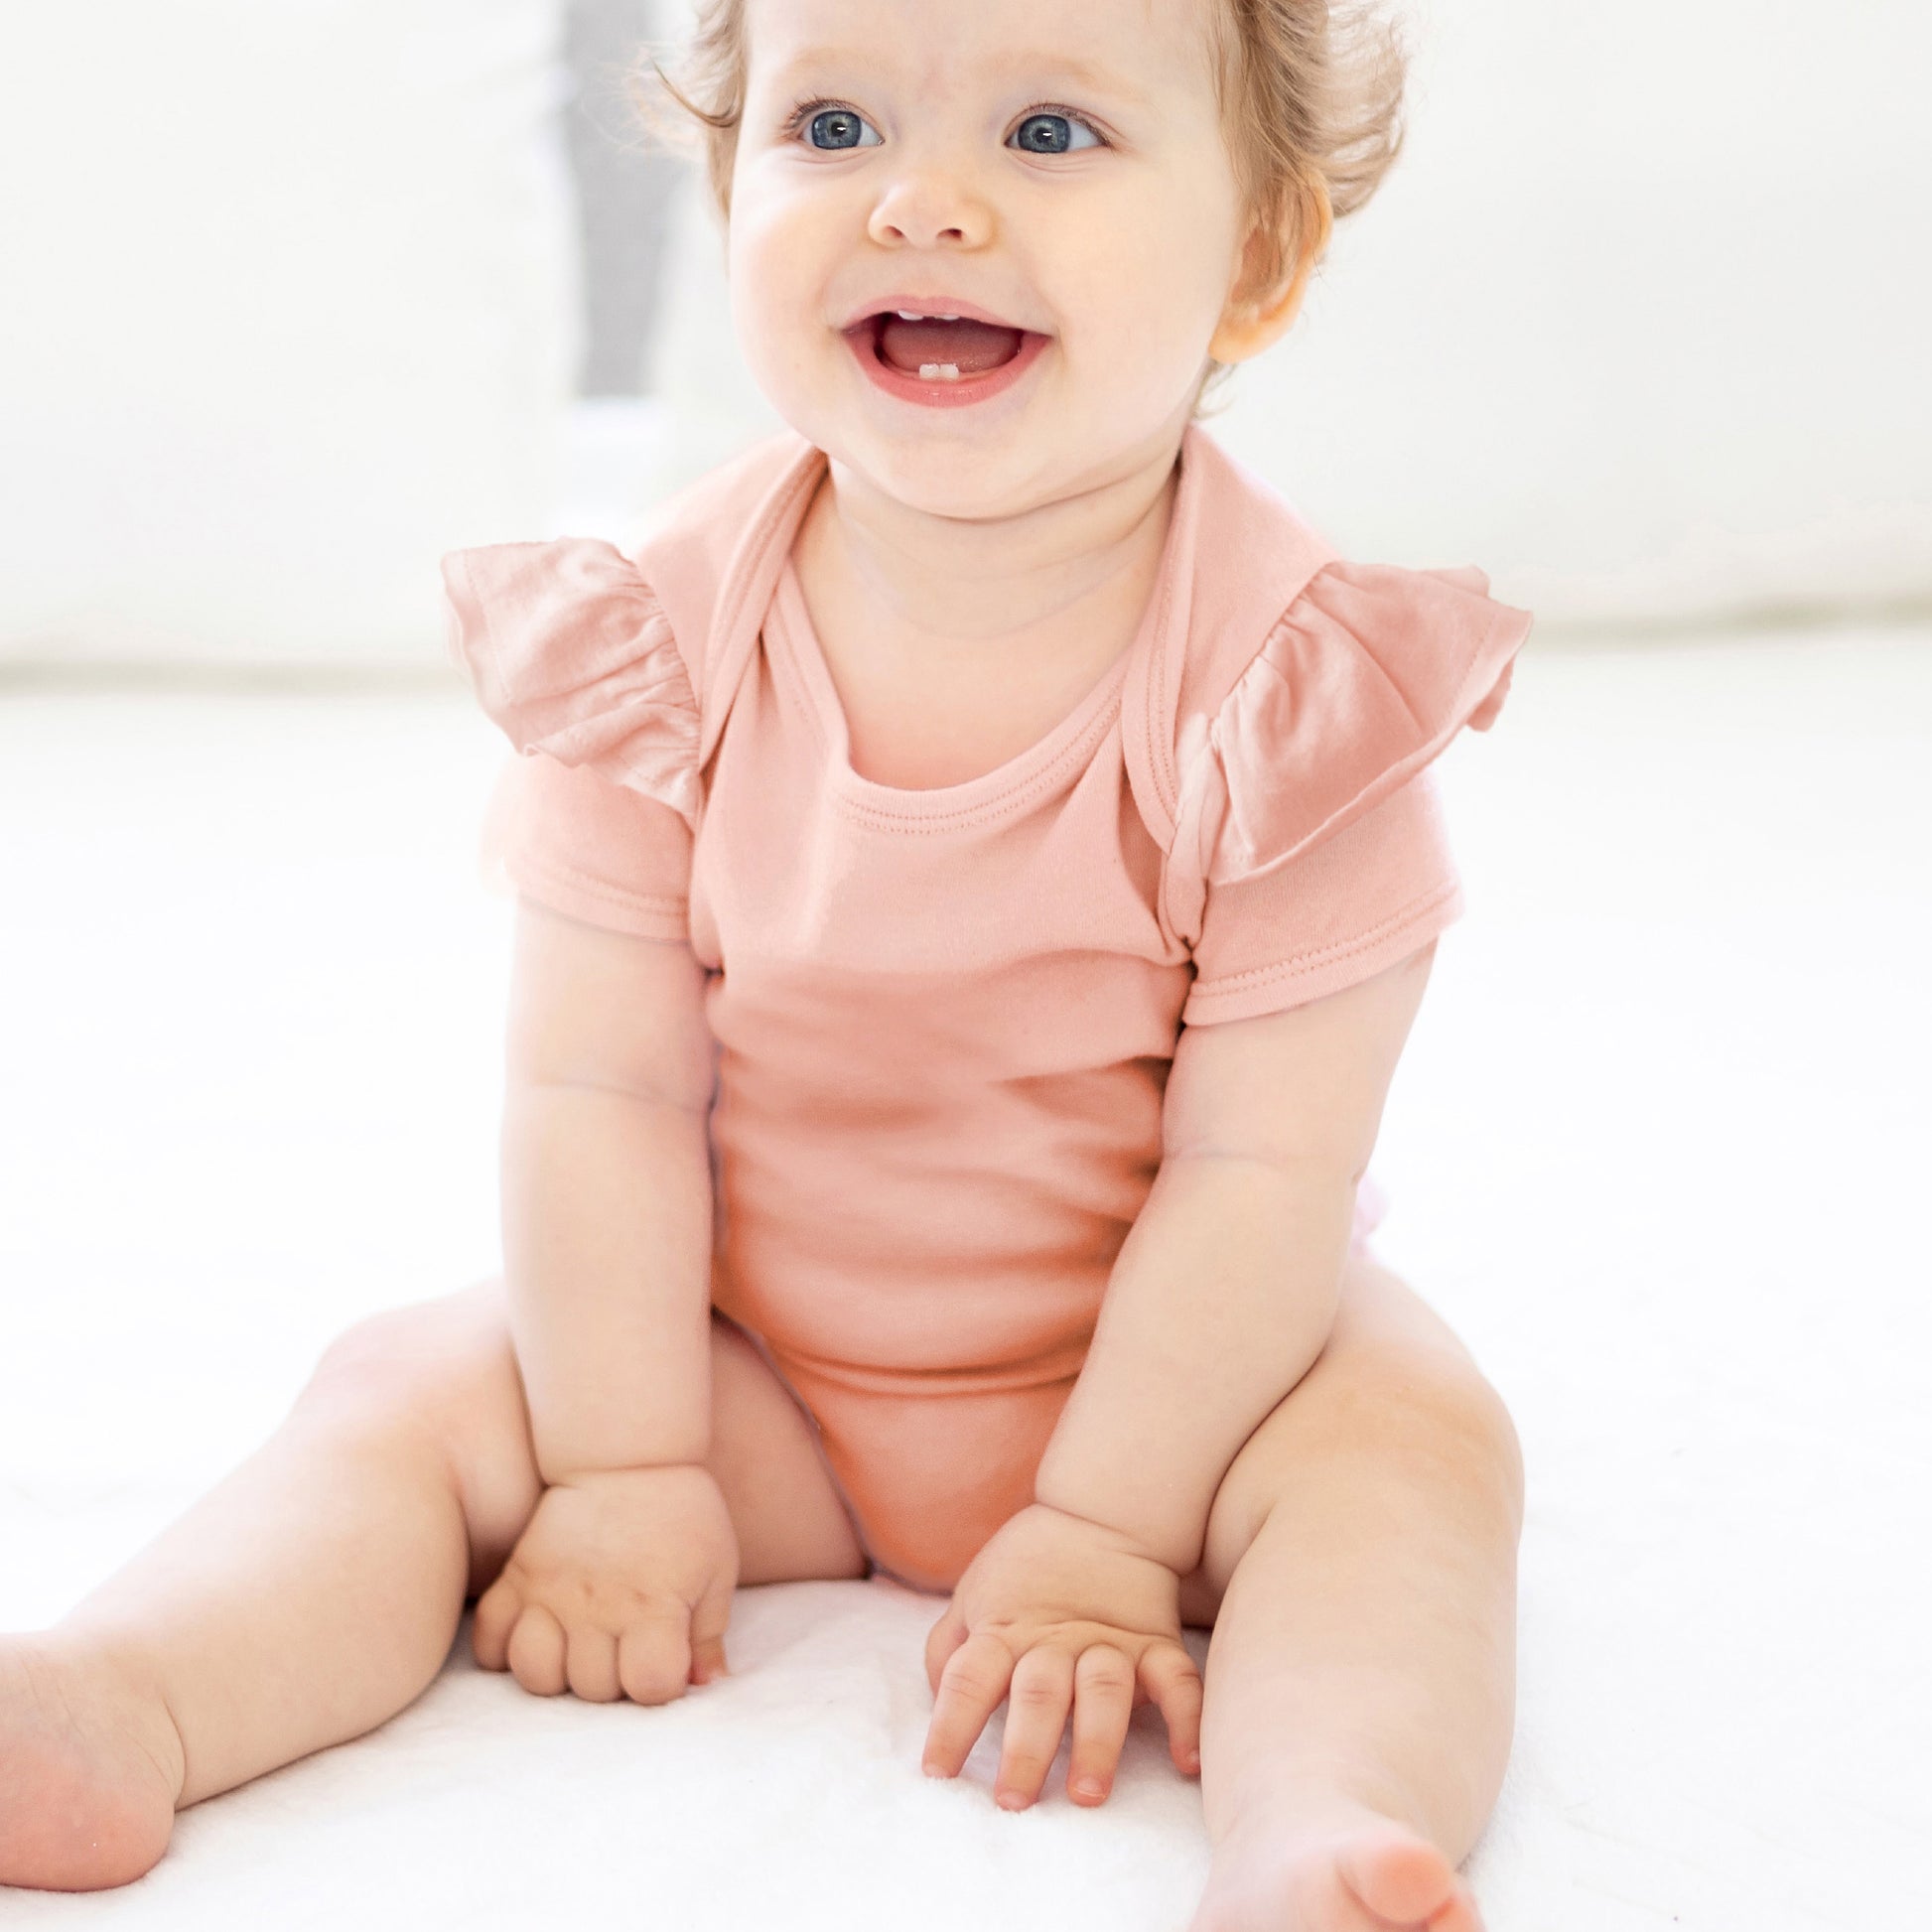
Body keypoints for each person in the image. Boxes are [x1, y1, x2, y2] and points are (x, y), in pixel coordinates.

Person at [0, 2, 1533, 1924]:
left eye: (1050, 131)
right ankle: (124, 1696)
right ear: (731, 189)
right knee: (406, 1384)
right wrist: (628, 1462)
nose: (924, 204)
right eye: (831, 121)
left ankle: (1318, 1817)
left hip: (1179, 1383)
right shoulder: (651, 644)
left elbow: (1261, 1173)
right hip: (758, 1371)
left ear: (1260, 253)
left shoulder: (1292, 700)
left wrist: (1097, 1530)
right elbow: (597, 1087)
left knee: (1410, 1445)